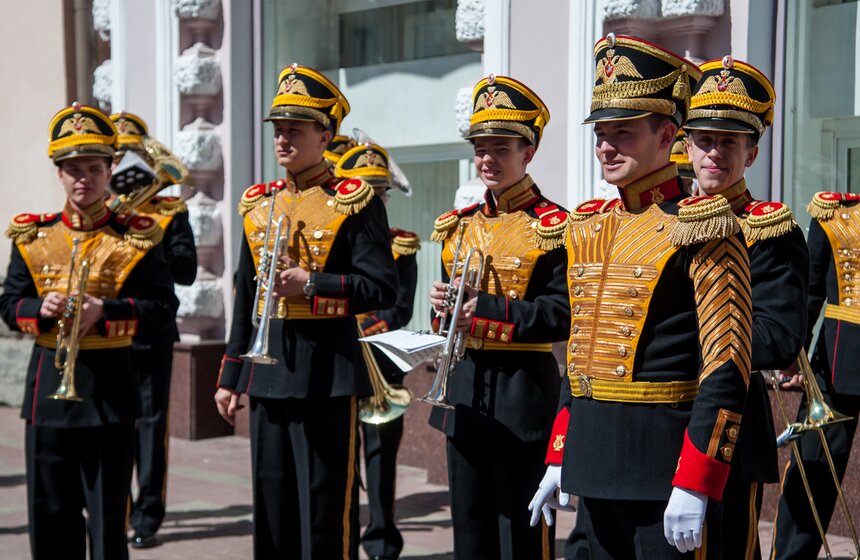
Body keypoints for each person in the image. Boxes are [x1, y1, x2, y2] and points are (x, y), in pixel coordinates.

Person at [529, 33, 752, 559]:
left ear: (667, 134)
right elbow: (581, 355)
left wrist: (697, 478)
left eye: (623, 133)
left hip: (665, 467)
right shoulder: (588, 225)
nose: (606, 147)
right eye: (601, 134)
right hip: (595, 459)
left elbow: (727, 364)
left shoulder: (704, 225)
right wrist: (560, 454)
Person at [213, 63, 398, 560]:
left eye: (295, 128)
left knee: (323, 513)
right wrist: (231, 375)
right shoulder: (258, 204)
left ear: (326, 134)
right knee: (271, 511)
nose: (283, 138)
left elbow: (381, 286)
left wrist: (310, 283)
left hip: (327, 372)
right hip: (269, 373)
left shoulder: (354, 201)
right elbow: (245, 297)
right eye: (279, 128)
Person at [0, 102, 177, 560]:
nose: (85, 178)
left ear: (110, 169)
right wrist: (41, 308)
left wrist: (108, 309)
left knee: (106, 521)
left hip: (109, 394)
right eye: (73, 169)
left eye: (94, 168)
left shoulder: (138, 236)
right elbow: (8, 305)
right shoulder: (32, 237)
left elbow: (162, 309)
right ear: (58, 174)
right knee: (50, 514)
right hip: (47, 397)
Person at [427, 74, 570, 560]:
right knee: (470, 535)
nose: (487, 159)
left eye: (500, 148)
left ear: (527, 153)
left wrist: (482, 311)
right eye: (480, 148)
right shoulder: (459, 227)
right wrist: (442, 309)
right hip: (465, 395)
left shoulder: (554, 227)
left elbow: (561, 316)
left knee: (521, 540)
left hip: (521, 396)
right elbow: (447, 319)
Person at [681, 56, 809, 559]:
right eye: (705, 140)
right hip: (654, 417)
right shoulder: (661, 224)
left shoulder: (771, 230)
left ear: (752, 153)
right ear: (687, 147)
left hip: (729, 424)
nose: (715, 153)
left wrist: (686, 335)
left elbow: (779, 337)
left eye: (729, 142)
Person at [109, 111, 198, 549]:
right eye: (117, 157)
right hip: (104, 333)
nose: (125, 166)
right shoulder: (101, 211)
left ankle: (147, 514)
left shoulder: (170, 210)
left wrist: (153, 240)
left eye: (132, 155)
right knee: (109, 424)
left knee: (150, 425)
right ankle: (115, 507)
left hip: (150, 332)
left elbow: (187, 272)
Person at [335, 142, 419, 560]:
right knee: (342, 462)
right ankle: (346, 536)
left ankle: (383, 539)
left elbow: (399, 309)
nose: (377, 202)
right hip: (343, 365)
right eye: (368, 194)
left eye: (381, 194)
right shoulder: (335, 243)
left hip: (382, 367)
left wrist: (359, 325)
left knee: (381, 461)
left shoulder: (403, 247)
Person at [770, 185, 860, 553]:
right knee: (814, 472)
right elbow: (809, 292)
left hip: (840, 362)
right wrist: (794, 349)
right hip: (838, 366)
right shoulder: (835, 214)